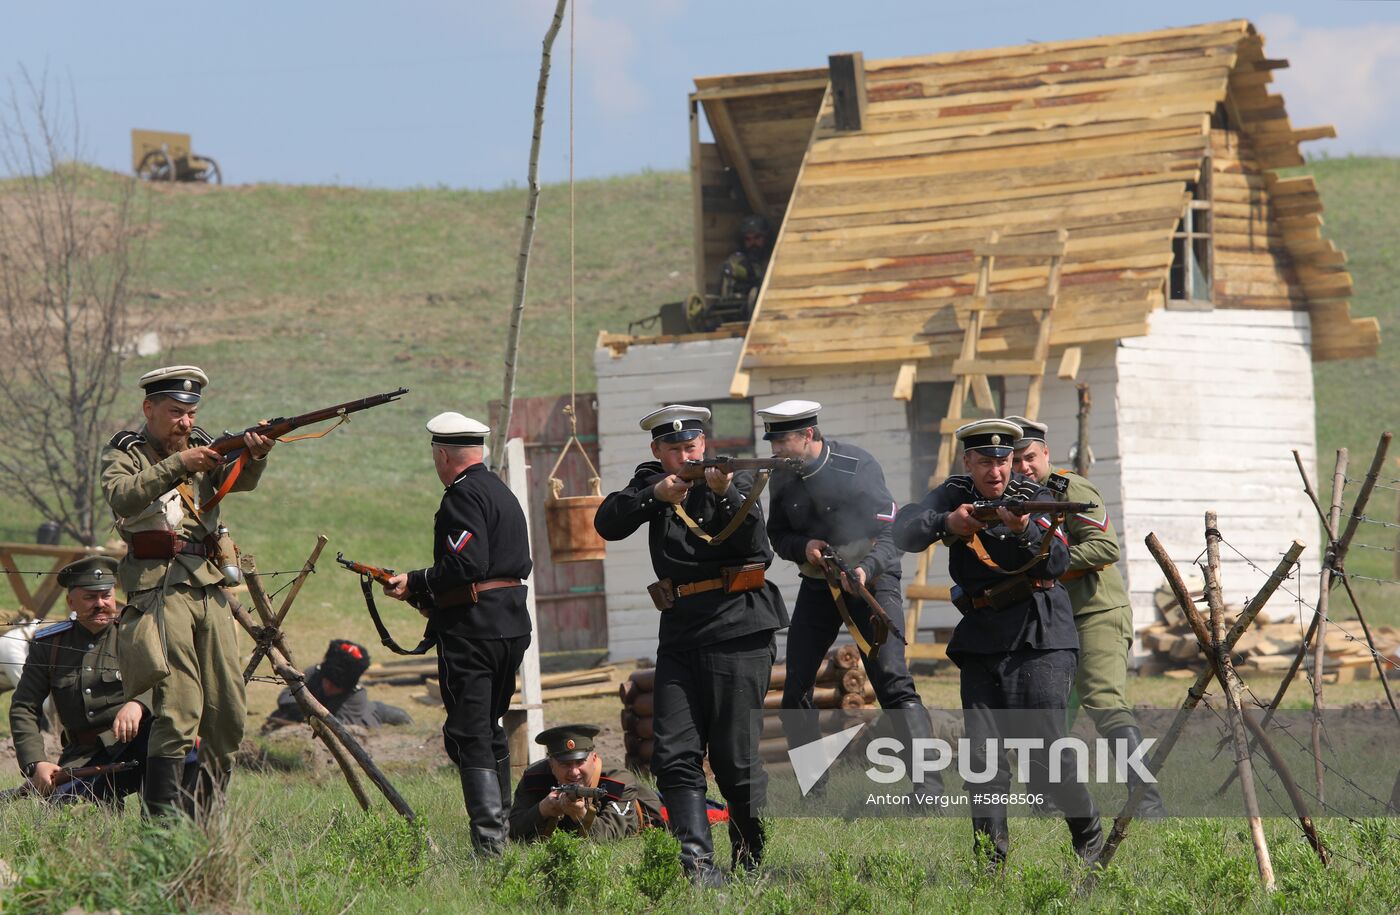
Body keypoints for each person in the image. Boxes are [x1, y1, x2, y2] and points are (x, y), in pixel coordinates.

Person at [892, 419, 1102, 869]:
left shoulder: (1030, 495)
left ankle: (1088, 837)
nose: (996, 471)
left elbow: (1060, 559)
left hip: (1039, 632)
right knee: (983, 759)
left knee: (1045, 752)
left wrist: (1024, 529)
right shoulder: (953, 491)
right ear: (968, 462)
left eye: (1002, 461)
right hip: (983, 635)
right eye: (985, 462)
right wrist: (946, 521)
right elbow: (904, 530)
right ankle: (990, 862)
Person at [594, 404, 788, 886]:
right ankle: (697, 868)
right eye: (675, 448)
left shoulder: (734, 478)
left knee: (734, 759)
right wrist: (655, 496)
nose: (687, 454)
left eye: (692, 446)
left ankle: (749, 860)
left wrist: (722, 495)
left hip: (738, 628)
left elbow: (755, 544)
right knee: (673, 755)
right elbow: (608, 521)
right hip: (681, 632)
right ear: (657, 451)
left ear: (704, 443)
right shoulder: (651, 480)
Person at [100, 365, 275, 818]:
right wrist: (180, 464)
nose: (185, 421)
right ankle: (162, 831)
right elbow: (122, 497)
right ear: (149, 408)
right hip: (159, 587)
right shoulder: (126, 451)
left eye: (191, 412)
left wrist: (255, 455)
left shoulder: (201, 443)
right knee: (177, 711)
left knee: (229, 713)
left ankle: (203, 824)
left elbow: (237, 484)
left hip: (209, 583)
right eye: (176, 412)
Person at [757, 399, 942, 802]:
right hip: (820, 583)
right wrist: (805, 546)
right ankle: (814, 787)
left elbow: (895, 535)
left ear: (808, 435)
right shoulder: (783, 476)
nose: (775, 451)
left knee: (892, 681)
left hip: (870, 580)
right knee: (796, 688)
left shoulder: (858, 466)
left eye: (782, 441)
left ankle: (928, 787)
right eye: (772, 442)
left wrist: (866, 570)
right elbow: (779, 534)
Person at [380, 412, 532, 857]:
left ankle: (490, 847)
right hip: (509, 625)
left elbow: (467, 565)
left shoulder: (460, 497)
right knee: (488, 727)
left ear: (443, 455)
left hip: (474, 630)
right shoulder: (501, 492)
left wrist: (417, 579)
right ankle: (500, 835)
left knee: (469, 733)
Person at [1006, 415, 1167, 817]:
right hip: (1049, 621)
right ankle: (1046, 803)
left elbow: (1104, 548)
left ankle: (1146, 802)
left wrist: (1047, 563)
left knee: (1104, 702)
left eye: (1029, 458)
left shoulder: (1069, 489)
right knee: (1044, 712)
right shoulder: (1010, 500)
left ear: (1046, 454)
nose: (1023, 467)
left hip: (1094, 612)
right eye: (1015, 461)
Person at [9, 556, 157, 807]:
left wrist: (140, 704)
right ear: (71, 601)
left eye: (106, 596)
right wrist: (36, 763)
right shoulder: (49, 645)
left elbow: (169, 681)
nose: (100, 604)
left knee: (178, 760)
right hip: (84, 757)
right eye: (90, 597)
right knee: (68, 811)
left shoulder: (135, 635)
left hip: (137, 746)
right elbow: (24, 706)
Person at [508, 724, 663, 842]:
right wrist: (542, 810)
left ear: (594, 759)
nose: (574, 772)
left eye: (580, 762)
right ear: (551, 765)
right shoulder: (534, 777)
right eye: (565, 764)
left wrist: (581, 815)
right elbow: (512, 831)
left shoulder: (618, 782)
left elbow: (611, 838)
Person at [264, 639, 412, 731]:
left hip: (359, 713)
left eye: (335, 686)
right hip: (307, 716)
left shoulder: (356, 696)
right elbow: (286, 698)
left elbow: (340, 727)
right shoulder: (313, 673)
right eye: (328, 682)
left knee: (387, 713)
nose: (328, 688)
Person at [718, 214, 773, 305]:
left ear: (766, 238)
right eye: (748, 239)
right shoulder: (738, 260)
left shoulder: (772, 259)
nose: (753, 243)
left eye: (757, 238)